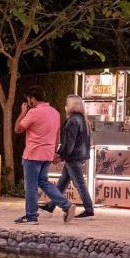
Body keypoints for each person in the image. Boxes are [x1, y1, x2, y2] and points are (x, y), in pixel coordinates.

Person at [14, 86, 76, 224]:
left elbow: (18, 129)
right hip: (47, 154)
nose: (28, 101)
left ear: (33, 99)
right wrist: (54, 152)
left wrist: (23, 112)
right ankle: (66, 205)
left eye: (28, 99)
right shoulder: (55, 112)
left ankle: (31, 216)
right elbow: (56, 135)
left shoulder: (33, 112)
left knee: (31, 186)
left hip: (33, 154)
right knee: (43, 182)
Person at [44, 94, 95, 218]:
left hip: (72, 157)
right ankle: (51, 205)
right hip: (79, 155)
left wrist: (60, 155)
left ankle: (89, 209)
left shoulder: (72, 120)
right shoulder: (84, 119)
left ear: (71, 106)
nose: (65, 106)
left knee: (79, 183)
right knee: (63, 182)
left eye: (67, 104)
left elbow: (69, 142)